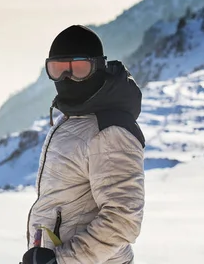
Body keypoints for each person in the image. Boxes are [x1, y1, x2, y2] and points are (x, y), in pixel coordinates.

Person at [21, 25, 145, 264]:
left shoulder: (109, 130)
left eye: (79, 69)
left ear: (97, 67)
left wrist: (63, 260)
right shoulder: (76, 119)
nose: (67, 79)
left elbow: (123, 218)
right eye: (58, 70)